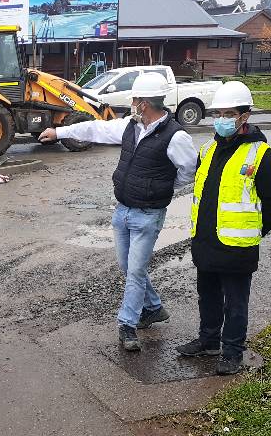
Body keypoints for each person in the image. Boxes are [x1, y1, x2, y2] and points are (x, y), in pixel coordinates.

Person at [39, 72, 198, 352]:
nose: (132, 104)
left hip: (149, 215)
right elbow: (95, 130)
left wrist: (160, 187)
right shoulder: (130, 126)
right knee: (128, 267)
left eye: (135, 99)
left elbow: (188, 172)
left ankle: (127, 324)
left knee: (135, 271)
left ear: (145, 103)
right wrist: (59, 132)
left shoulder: (176, 137)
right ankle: (154, 308)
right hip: (122, 210)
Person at [176, 81, 271, 375]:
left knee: (235, 304)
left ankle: (232, 353)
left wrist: (252, 229)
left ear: (244, 117)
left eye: (229, 113)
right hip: (206, 241)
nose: (222, 119)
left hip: (238, 247)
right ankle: (209, 340)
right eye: (218, 113)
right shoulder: (208, 149)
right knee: (207, 295)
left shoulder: (263, 156)